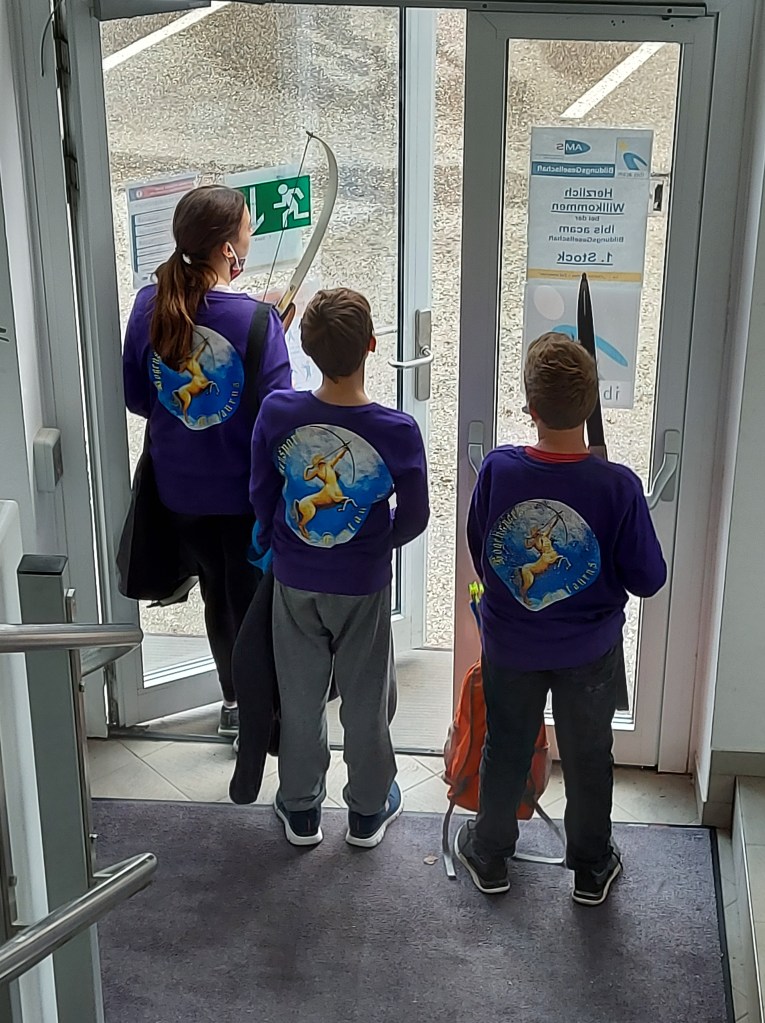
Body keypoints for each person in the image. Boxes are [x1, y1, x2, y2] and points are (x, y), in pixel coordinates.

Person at [457, 332, 667, 905]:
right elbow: (648, 578)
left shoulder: (500, 470)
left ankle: (490, 854)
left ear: (530, 407)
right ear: (592, 403)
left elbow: (484, 551)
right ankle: (591, 867)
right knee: (589, 755)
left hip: (512, 645)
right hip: (589, 653)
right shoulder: (617, 486)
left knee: (506, 745)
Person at [249, 288, 429, 848]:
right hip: (362, 584)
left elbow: (262, 492)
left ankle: (301, 808)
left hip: (295, 578)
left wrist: (278, 539)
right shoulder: (397, 430)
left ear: (306, 347)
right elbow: (415, 516)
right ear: (372, 346)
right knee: (366, 698)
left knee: (300, 696)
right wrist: (375, 542)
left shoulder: (278, 412)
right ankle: (368, 810)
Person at [122, 184, 291, 739]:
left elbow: (139, 398)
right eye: (247, 228)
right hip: (243, 495)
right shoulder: (258, 321)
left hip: (178, 492)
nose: (251, 235)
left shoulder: (148, 304)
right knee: (252, 601)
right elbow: (277, 421)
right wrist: (270, 334)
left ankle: (234, 704)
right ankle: (264, 714)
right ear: (226, 249)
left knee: (217, 595)